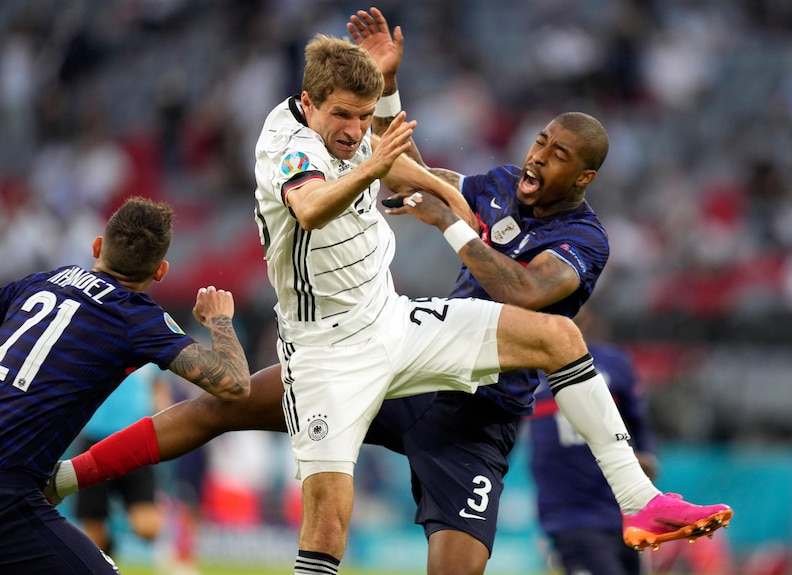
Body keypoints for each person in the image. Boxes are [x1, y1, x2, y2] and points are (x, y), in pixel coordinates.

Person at [47, 15, 732, 575]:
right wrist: (407, 174)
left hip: (462, 395)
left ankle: (640, 502)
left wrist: (417, 160)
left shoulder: (584, 238)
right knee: (275, 463)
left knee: (561, 338)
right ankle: (58, 481)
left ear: (580, 178)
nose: (536, 155)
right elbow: (332, 196)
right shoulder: (289, 144)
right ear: (311, 104)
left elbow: (520, 285)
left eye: (554, 153)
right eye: (539, 141)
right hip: (335, 354)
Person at [0, 195, 252, 575]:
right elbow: (235, 384)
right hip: (9, 485)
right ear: (160, 271)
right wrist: (219, 321)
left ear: (98, 246)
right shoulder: (134, 316)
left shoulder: (39, 283)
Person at [527, 307, 658, 575]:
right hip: (568, 514)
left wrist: (647, 454)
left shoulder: (614, 363)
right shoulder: (526, 369)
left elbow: (639, 420)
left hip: (621, 507)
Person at [72, 362, 169, 556]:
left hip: (135, 440)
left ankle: (117, 533)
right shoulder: (94, 349)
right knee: (94, 535)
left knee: (148, 527)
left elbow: (159, 390)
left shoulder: (150, 355)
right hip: (94, 439)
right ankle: (106, 558)